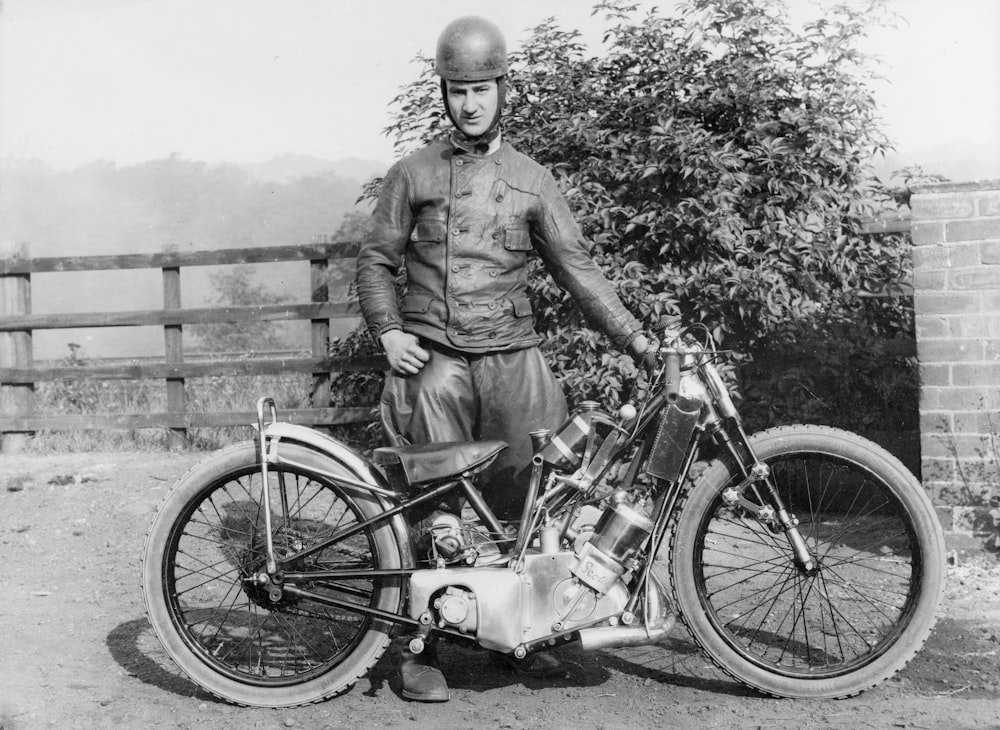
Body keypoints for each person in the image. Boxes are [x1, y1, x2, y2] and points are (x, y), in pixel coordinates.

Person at [355, 15, 650, 703]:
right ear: (445, 93)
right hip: (436, 362)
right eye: (457, 90)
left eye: (481, 89)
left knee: (539, 498)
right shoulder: (414, 173)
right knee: (436, 511)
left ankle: (528, 633)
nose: (470, 103)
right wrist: (389, 332)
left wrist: (637, 341)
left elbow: (579, 271)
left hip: (514, 359)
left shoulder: (531, 180)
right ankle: (419, 647)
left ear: (503, 89)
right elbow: (375, 263)